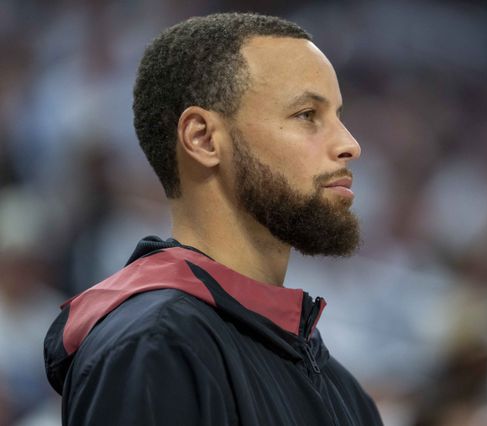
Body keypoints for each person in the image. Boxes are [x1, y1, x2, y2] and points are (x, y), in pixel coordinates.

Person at [44, 12, 383, 426]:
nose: (350, 144)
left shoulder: (339, 386)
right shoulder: (155, 347)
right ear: (203, 138)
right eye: (307, 114)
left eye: (339, 116)